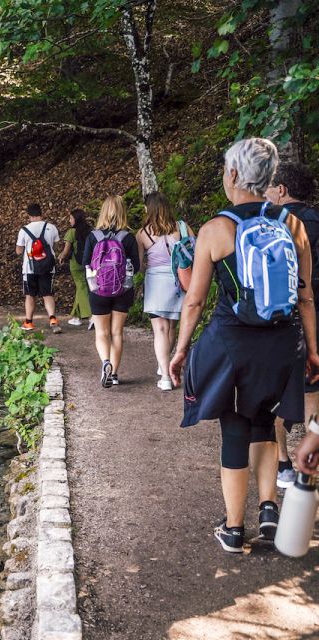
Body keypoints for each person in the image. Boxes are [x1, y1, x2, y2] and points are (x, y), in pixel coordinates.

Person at [169, 138, 319, 554]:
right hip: (283, 342)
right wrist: (312, 349)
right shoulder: (293, 225)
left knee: (234, 429)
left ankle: (234, 528)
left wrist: (181, 349)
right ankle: (269, 510)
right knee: (270, 423)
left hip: (233, 344)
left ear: (233, 175)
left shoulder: (217, 229)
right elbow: (304, 296)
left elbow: (195, 300)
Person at [266, 161, 319, 487]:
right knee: (314, 389)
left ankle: (284, 465)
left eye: (269, 188)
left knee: (272, 393)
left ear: (282, 190)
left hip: (287, 319)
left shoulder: (278, 225)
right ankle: (310, 458)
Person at [136, 192, 195, 391]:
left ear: (149, 209)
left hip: (156, 282)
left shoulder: (143, 233)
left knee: (159, 330)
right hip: (179, 280)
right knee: (170, 328)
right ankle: (165, 367)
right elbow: (195, 250)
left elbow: (139, 265)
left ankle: (166, 376)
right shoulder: (183, 227)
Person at [82, 196, 139, 387]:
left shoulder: (93, 236)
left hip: (98, 291)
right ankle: (114, 374)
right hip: (122, 290)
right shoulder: (128, 237)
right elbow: (136, 267)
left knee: (101, 333)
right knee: (117, 333)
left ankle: (105, 362)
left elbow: (86, 264)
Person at [16, 203, 61, 332]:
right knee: (48, 294)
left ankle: (29, 322)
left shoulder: (24, 230)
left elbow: (19, 251)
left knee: (30, 295)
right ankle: (53, 320)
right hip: (48, 266)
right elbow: (55, 246)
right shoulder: (51, 227)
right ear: (41, 213)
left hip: (30, 268)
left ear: (29, 215)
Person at [58, 209, 92, 329]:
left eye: (71, 218)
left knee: (81, 287)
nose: (69, 220)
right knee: (81, 287)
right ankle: (76, 317)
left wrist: (61, 257)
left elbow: (66, 251)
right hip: (88, 263)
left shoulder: (71, 232)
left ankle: (91, 316)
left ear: (76, 219)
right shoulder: (90, 230)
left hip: (76, 265)